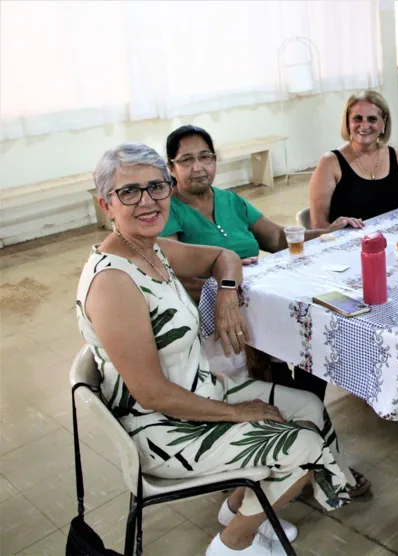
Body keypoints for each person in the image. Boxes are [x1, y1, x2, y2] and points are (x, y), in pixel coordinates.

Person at [78, 143, 357, 556]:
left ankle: (238, 509)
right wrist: (236, 412)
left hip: (199, 394)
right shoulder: (114, 282)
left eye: (156, 187)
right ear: (106, 204)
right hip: (163, 429)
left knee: (311, 408)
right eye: (129, 192)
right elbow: (151, 394)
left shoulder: (150, 249)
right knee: (306, 447)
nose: (148, 201)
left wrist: (227, 293)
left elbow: (225, 256)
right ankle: (232, 544)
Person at [161, 125, 363, 300]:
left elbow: (276, 238)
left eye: (205, 157)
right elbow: (174, 275)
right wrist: (226, 278)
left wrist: (328, 232)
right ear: (171, 167)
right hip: (215, 304)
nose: (198, 167)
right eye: (186, 160)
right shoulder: (168, 209)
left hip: (256, 293)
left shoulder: (230, 200)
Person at [308, 90, 398, 229]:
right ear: (347, 122)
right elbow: (318, 225)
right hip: (352, 248)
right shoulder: (330, 163)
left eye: (372, 119)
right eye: (357, 118)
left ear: (383, 123)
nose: (364, 125)